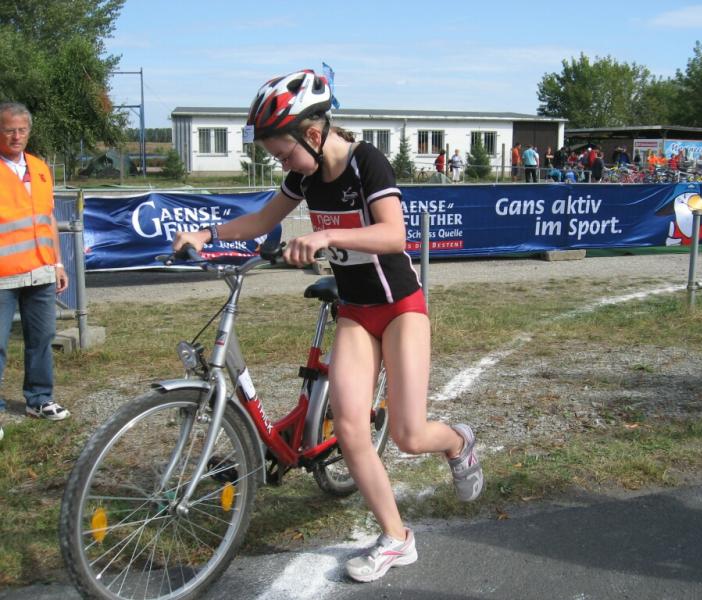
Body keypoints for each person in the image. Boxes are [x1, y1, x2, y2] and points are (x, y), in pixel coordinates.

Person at [172, 70, 484, 583]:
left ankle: (456, 441)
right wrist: (206, 234)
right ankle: (396, 538)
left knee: (407, 434)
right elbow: (262, 221)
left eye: (283, 154)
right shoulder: (305, 177)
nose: (283, 165)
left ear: (313, 135)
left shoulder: (366, 163)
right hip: (356, 312)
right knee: (352, 429)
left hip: (400, 307)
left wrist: (325, 237)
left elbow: (393, 234)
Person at [0, 102, 70, 420]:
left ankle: (39, 399)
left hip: (40, 271)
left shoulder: (40, 168)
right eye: (9, 130)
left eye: (22, 130)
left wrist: (58, 263)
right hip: (3, 275)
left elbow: (48, 218)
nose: (16, 136)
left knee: (41, 339)